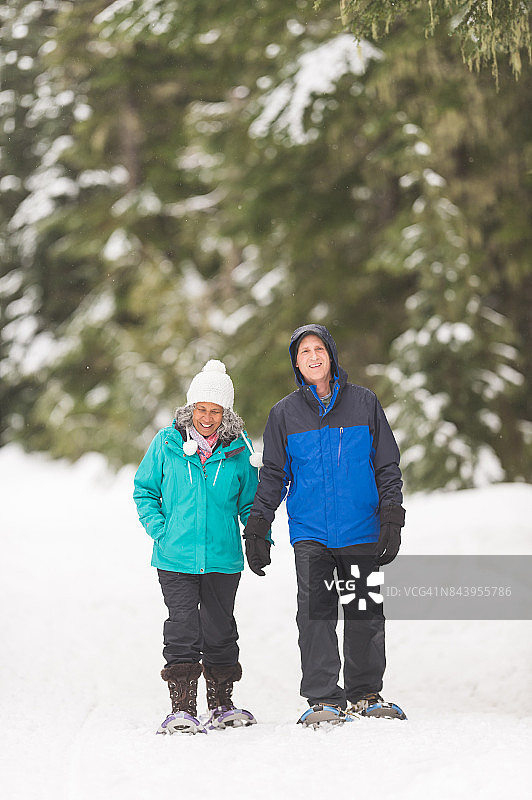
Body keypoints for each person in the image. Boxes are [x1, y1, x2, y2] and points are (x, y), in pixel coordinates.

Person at [243, 324, 407, 725]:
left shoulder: (364, 403)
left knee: (363, 612)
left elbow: (386, 465)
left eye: (319, 349)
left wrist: (391, 516)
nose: (313, 356)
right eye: (304, 352)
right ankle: (324, 699)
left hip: (361, 529)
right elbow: (274, 475)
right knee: (315, 615)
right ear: (296, 363)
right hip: (311, 532)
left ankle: (365, 693)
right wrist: (258, 525)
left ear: (331, 355)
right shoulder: (284, 413)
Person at [133, 360, 262, 734]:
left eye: (215, 410)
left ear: (226, 413)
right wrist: (161, 529)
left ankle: (222, 704)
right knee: (183, 627)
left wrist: (257, 537)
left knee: (221, 629)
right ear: (190, 409)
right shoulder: (167, 442)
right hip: (175, 557)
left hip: (223, 558)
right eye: (201, 409)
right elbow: (145, 490)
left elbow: (250, 502)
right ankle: (182, 708)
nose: (207, 417)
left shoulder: (239, 449)